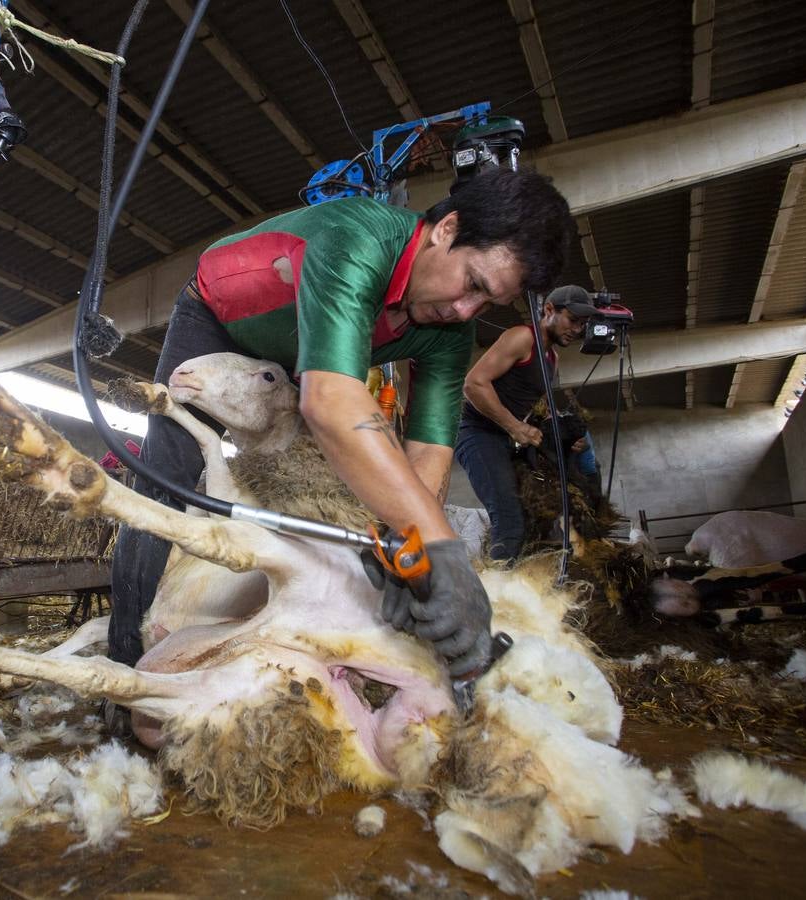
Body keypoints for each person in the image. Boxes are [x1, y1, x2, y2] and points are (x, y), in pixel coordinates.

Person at [107, 167, 573, 705]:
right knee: (167, 469)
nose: (467, 310)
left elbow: (430, 449)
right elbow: (329, 402)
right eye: (472, 284)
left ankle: (260, 641)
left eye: (487, 304)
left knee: (334, 490)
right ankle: (123, 666)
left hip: (304, 355)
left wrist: (411, 551)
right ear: (446, 228)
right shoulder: (361, 237)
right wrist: (443, 549)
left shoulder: (449, 332)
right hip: (221, 318)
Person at [455, 284, 594, 560]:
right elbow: (473, 384)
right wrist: (515, 427)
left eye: (582, 324)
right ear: (549, 310)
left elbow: (530, 407)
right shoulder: (522, 338)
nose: (576, 329)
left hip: (503, 438)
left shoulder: (552, 358)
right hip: (476, 433)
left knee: (536, 511)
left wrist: (566, 439)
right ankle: (500, 594)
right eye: (572, 320)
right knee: (509, 519)